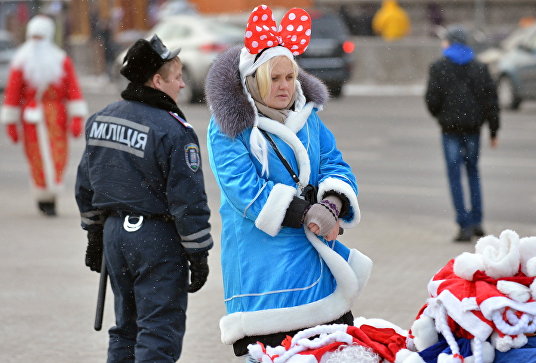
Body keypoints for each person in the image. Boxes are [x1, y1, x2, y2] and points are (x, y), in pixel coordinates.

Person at [204, 5, 372, 359]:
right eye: (274, 79)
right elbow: (243, 191)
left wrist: (331, 204)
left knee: (328, 347)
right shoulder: (229, 126)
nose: (284, 86)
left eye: (289, 77)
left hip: (310, 253)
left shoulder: (307, 117)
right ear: (255, 80)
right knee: (272, 350)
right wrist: (305, 214)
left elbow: (333, 163)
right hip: (261, 259)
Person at [74, 34, 213, 362]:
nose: (181, 85)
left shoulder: (101, 119)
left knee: (126, 328)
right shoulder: (174, 130)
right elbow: (187, 199)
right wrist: (198, 253)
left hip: (114, 236)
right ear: (156, 81)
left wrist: (94, 235)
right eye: (176, 77)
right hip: (156, 241)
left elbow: (86, 185)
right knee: (159, 331)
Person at [0, 15, 88, 216]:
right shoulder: (20, 62)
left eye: (41, 37)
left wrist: (76, 118)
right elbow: (12, 94)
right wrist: (11, 122)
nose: (37, 42)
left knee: (59, 156)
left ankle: (52, 193)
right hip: (32, 119)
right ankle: (43, 197)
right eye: (34, 37)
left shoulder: (61, 60)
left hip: (57, 118)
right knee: (36, 158)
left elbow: (73, 89)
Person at [425, 25, 500, 242]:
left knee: (454, 176)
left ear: (449, 42)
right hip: (473, 129)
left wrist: (441, 116)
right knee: (473, 172)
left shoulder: (439, 67)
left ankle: (463, 225)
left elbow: (431, 100)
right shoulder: (479, 67)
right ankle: (477, 221)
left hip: (449, 130)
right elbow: (491, 101)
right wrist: (493, 129)